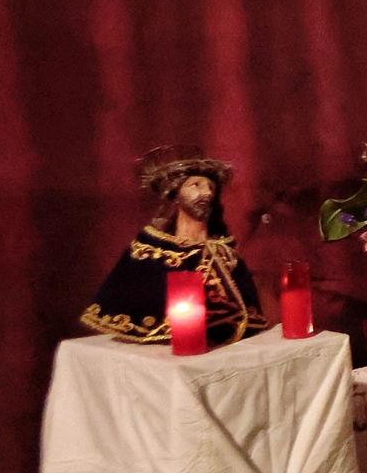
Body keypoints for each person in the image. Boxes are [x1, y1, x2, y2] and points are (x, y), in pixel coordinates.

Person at [83, 147, 266, 345]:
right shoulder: (150, 252)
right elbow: (134, 297)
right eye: (195, 185)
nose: (206, 193)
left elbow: (245, 305)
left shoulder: (223, 250)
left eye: (210, 187)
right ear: (175, 193)